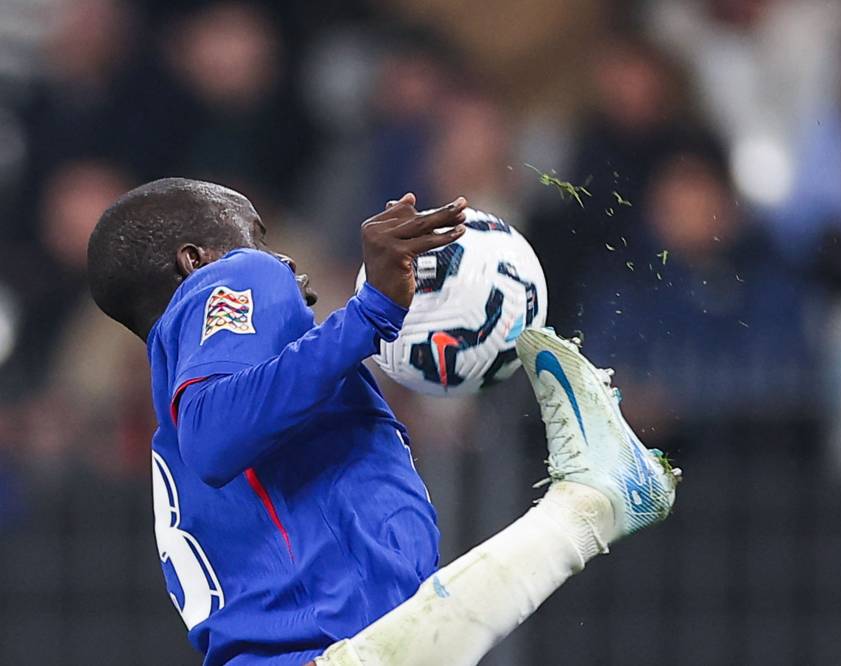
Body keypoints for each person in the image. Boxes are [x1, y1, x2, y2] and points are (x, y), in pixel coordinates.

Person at [86, 178, 680, 666]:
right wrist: (369, 314)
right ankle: (592, 500)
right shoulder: (239, 282)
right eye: (256, 240)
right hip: (326, 655)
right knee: (586, 511)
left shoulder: (183, 413)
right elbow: (216, 438)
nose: (281, 259)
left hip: (338, 649)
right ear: (196, 262)